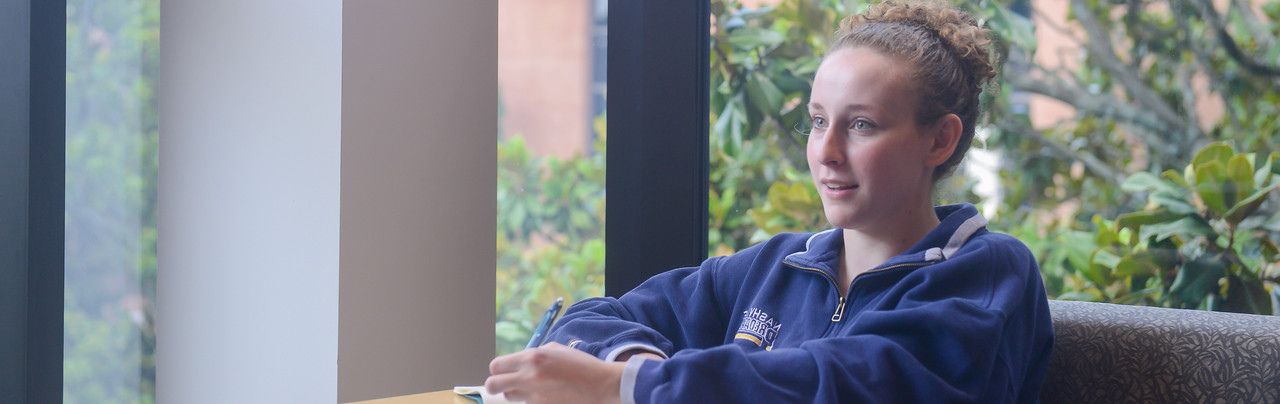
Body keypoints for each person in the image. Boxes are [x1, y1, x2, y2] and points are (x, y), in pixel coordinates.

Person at [484, 1, 1054, 402]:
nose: (826, 152)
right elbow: (591, 319)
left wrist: (629, 390)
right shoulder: (778, 267)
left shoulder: (989, 274)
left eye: (861, 125)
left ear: (941, 139)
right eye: (817, 122)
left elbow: (848, 384)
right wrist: (634, 365)